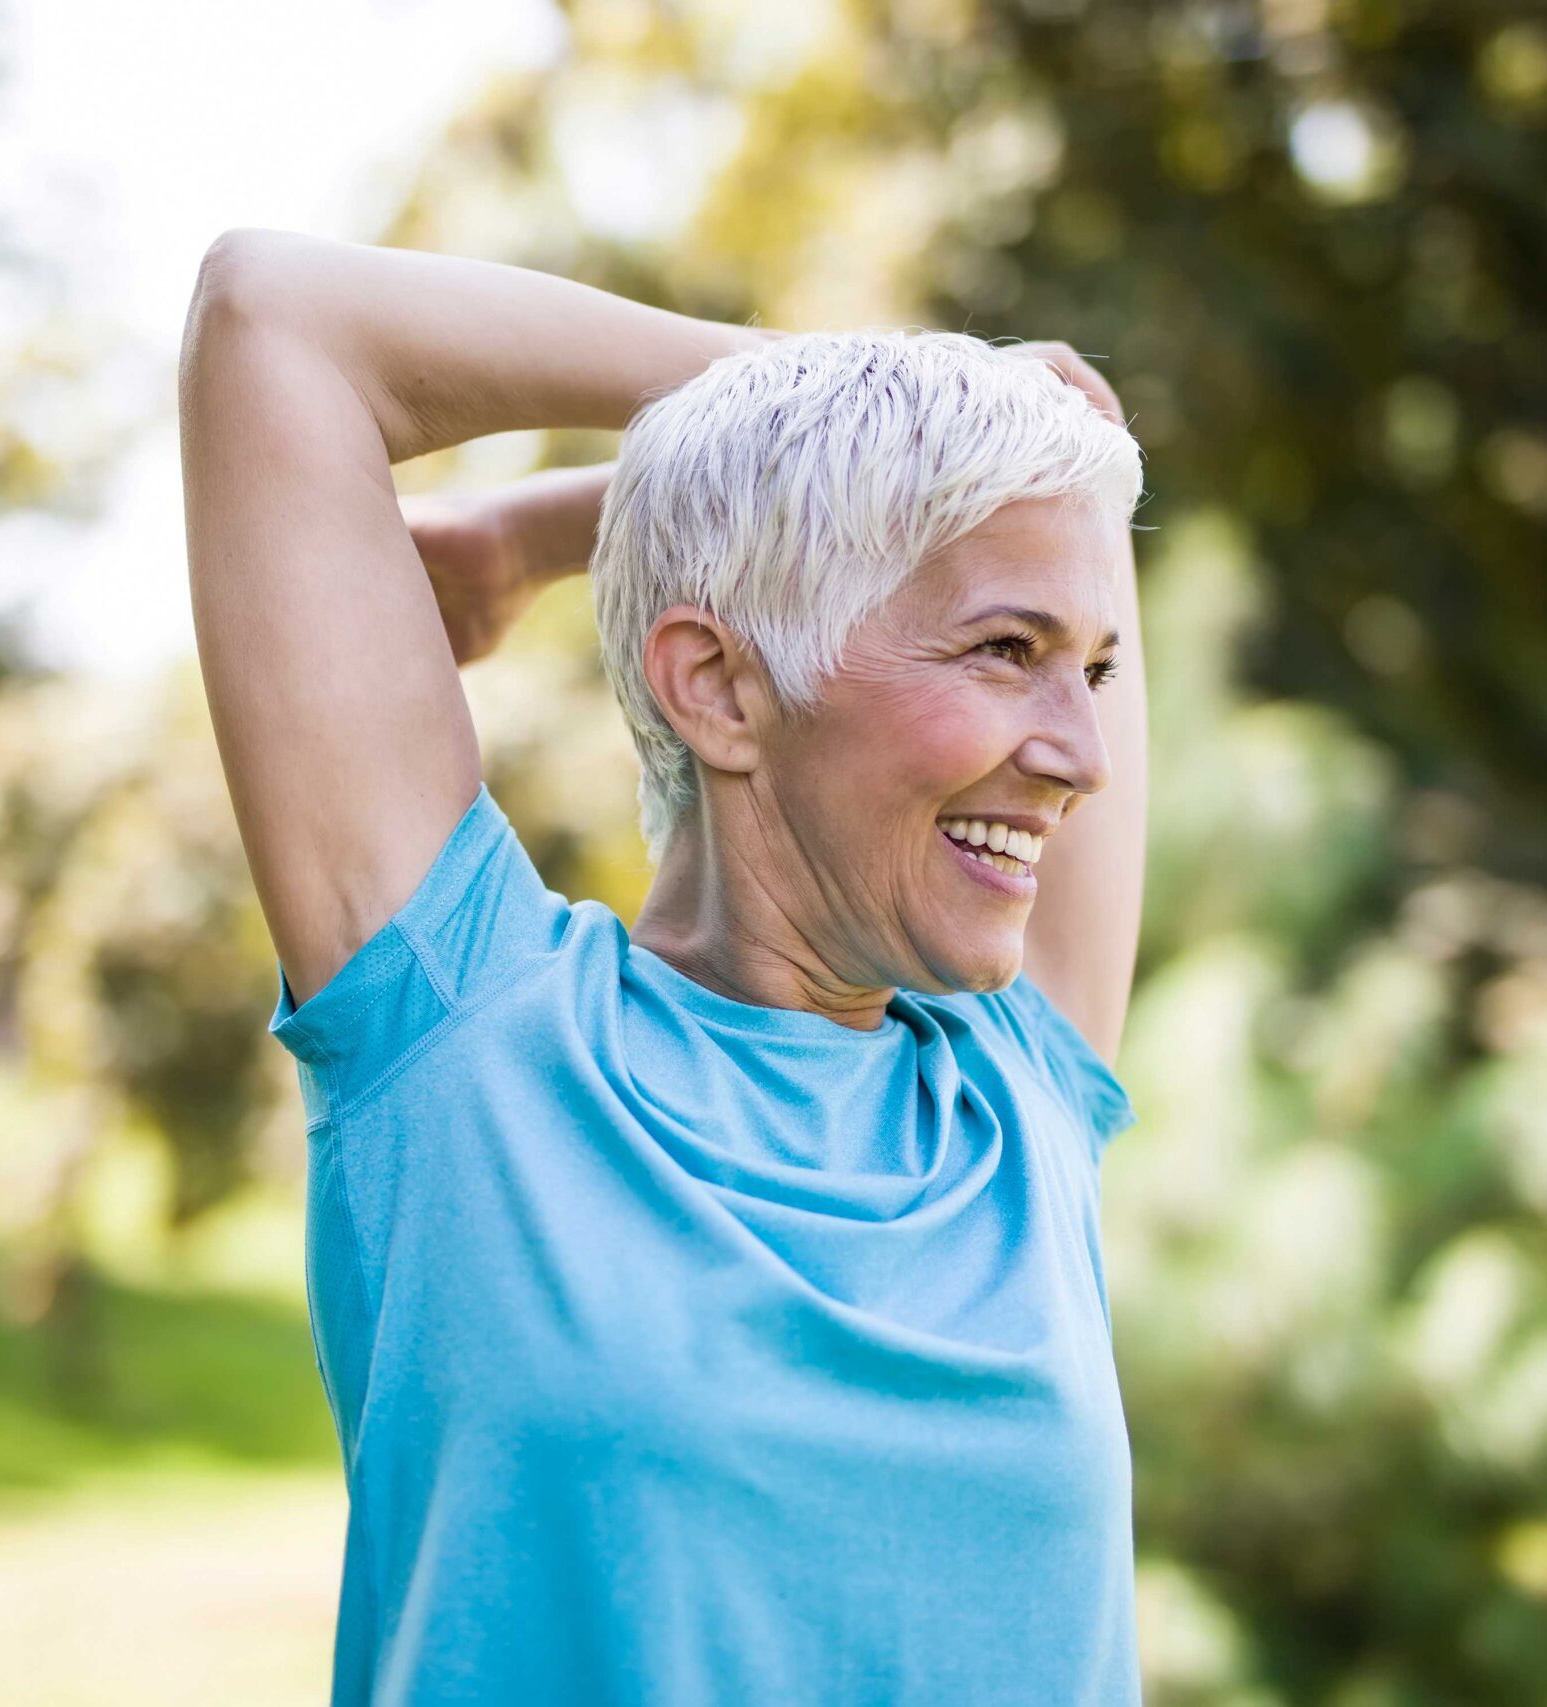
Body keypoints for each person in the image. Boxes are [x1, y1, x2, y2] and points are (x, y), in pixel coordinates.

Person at [177, 227, 1150, 1705]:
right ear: (719, 688)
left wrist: (554, 527)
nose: (1079, 756)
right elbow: (273, 318)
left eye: (1091, 669)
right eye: (1006, 650)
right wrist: (824, 405)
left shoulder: (1024, 1092)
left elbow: (1075, 464)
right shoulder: (471, 1050)